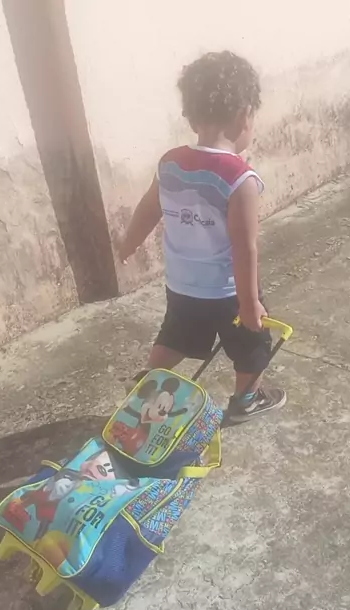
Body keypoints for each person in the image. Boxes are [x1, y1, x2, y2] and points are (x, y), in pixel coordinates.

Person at [118, 50, 286, 422]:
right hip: (227, 292)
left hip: (181, 284)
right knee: (252, 344)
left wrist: (129, 243)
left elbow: (148, 208)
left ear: (191, 116)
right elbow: (244, 247)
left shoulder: (170, 162)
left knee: (176, 335)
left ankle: (147, 383)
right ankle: (246, 400)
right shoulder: (239, 178)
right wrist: (249, 303)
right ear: (245, 115)